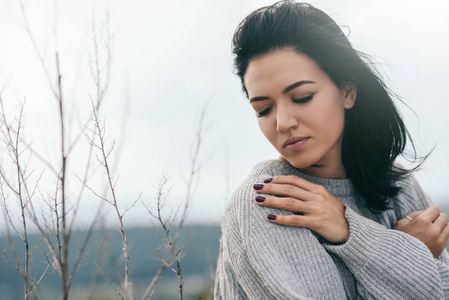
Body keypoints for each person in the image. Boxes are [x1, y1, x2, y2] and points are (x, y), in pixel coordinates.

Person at [214, 1, 449, 299]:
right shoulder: (269, 199)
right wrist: (405, 255)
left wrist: (351, 231)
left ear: (347, 92)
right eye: (263, 109)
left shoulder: (398, 185)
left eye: (302, 96)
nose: (282, 123)